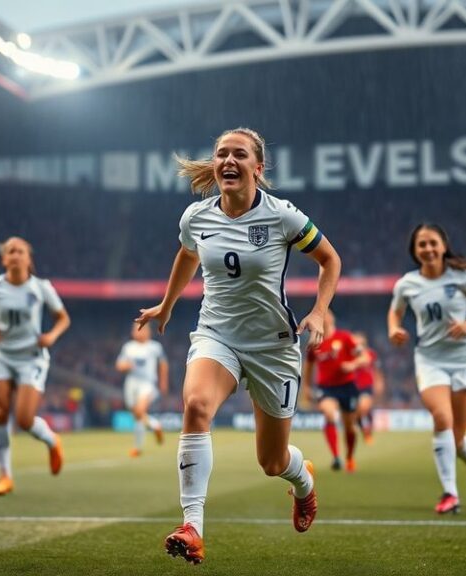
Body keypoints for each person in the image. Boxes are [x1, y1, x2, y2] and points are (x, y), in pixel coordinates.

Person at [136, 127, 341, 564]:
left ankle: (302, 481)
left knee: (271, 461)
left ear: (258, 167)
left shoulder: (282, 216)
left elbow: (330, 259)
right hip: (218, 335)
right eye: (221, 153)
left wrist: (320, 311)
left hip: (272, 346)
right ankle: (193, 527)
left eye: (240, 154)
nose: (229, 160)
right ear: (215, 165)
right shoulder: (196, 217)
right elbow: (187, 254)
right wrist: (167, 305)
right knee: (195, 405)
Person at [388, 223, 466, 514]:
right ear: (415, 251)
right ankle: (450, 494)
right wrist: (393, 329)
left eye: (432, 243)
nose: (428, 249)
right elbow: (395, 311)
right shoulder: (407, 283)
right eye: (422, 245)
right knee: (442, 418)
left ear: (443, 246)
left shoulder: (462, 276)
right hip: (429, 360)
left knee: (455, 436)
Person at [0, 236, 71, 496]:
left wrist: (51, 336)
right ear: (4, 259)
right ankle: (5, 476)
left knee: (24, 419)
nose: (15, 254)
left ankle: (51, 440)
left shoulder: (41, 287)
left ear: (28, 258)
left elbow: (62, 318)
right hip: (0, 355)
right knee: (1, 412)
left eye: (20, 251)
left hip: (31, 357)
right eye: (10, 251)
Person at [301, 309, 360, 472]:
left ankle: (349, 457)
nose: (323, 318)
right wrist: (306, 386)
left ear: (332, 318)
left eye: (326, 314)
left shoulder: (345, 337)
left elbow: (363, 356)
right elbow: (309, 365)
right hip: (326, 388)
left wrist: (353, 365)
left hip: (347, 387)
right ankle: (336, 457)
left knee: (350, 428)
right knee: (328, 412)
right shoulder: (316, 342)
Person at [116, 321, 169, 457]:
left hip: (147, 383)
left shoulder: (155, 347)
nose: (136, 332)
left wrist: (163, 382)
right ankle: (154, 425)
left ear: (148, 332)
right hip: (131, 383)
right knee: (137, 415)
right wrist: (125, 366)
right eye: (135, 329)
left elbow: (163, 364)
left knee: (140, 411)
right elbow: (119, 364)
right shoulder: (128, 347)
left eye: (140, 329)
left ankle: (137, 447)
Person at [352, 331, 385, 445]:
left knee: (363, 408)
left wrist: (379, 382)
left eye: (361, 342)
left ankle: (368, 429)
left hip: (366, 386)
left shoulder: (371, 354)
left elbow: (377, 370)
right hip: (352, 387)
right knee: (356, 413)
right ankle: (365, 431)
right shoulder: (349, 355)